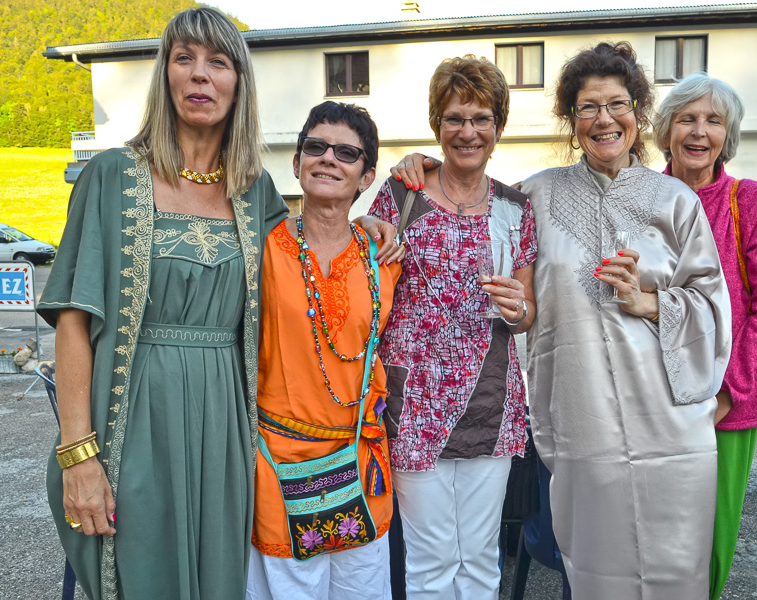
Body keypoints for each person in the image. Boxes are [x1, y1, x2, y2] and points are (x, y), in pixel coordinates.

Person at [393, 41, 730, 598]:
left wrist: (648, 301)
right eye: (588, 108)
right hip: (584, 420)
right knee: (597, 564)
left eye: (617, 105)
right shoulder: (536, 197)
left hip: (668, 424)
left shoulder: (676, 202)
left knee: (675, 564)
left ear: (638, 112)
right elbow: (469, 195)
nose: (605, 119)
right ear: (572, 120)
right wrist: (420, 165)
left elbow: (713, 306)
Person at [36, 8, 288, 599]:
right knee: (139, 572)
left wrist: (374, 220)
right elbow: (73, 322)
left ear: (238, 83)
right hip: (134, 417)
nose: (200, 74)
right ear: (165, 75)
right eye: (184, 59)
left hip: (225, 428)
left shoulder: (256, 191)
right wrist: (78, 456)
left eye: (218, 62)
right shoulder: (112, 176)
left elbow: (308, 271)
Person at [369, 55, 538, 599]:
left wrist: (517, 309)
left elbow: (528, 314)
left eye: (481, 118)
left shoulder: (515, 209)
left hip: (490, 399)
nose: (468, 132)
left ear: (498, 126)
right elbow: (365, 271)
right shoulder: (402, 194)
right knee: (430, 559)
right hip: (414, 403)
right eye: (455, 118)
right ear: (437, 124)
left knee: (482, 557)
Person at [247, 101, 401, 599]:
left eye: (347, 153)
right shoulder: (261, 248)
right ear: (297, 163)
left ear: (366, 178)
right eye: (316, 147)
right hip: (280, 463)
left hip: (361, 464)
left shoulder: (383, 257)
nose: (329, 158)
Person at [654, 73, 757, 600]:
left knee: (708, 542)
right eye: (687, 119)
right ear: (666, 130)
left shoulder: (750, 201)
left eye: (713, 121)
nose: (699, 131)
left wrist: (726, 392)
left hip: (725, 407)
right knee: (647, 534)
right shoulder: (640, 198)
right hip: (648, 399)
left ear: (727, 135)